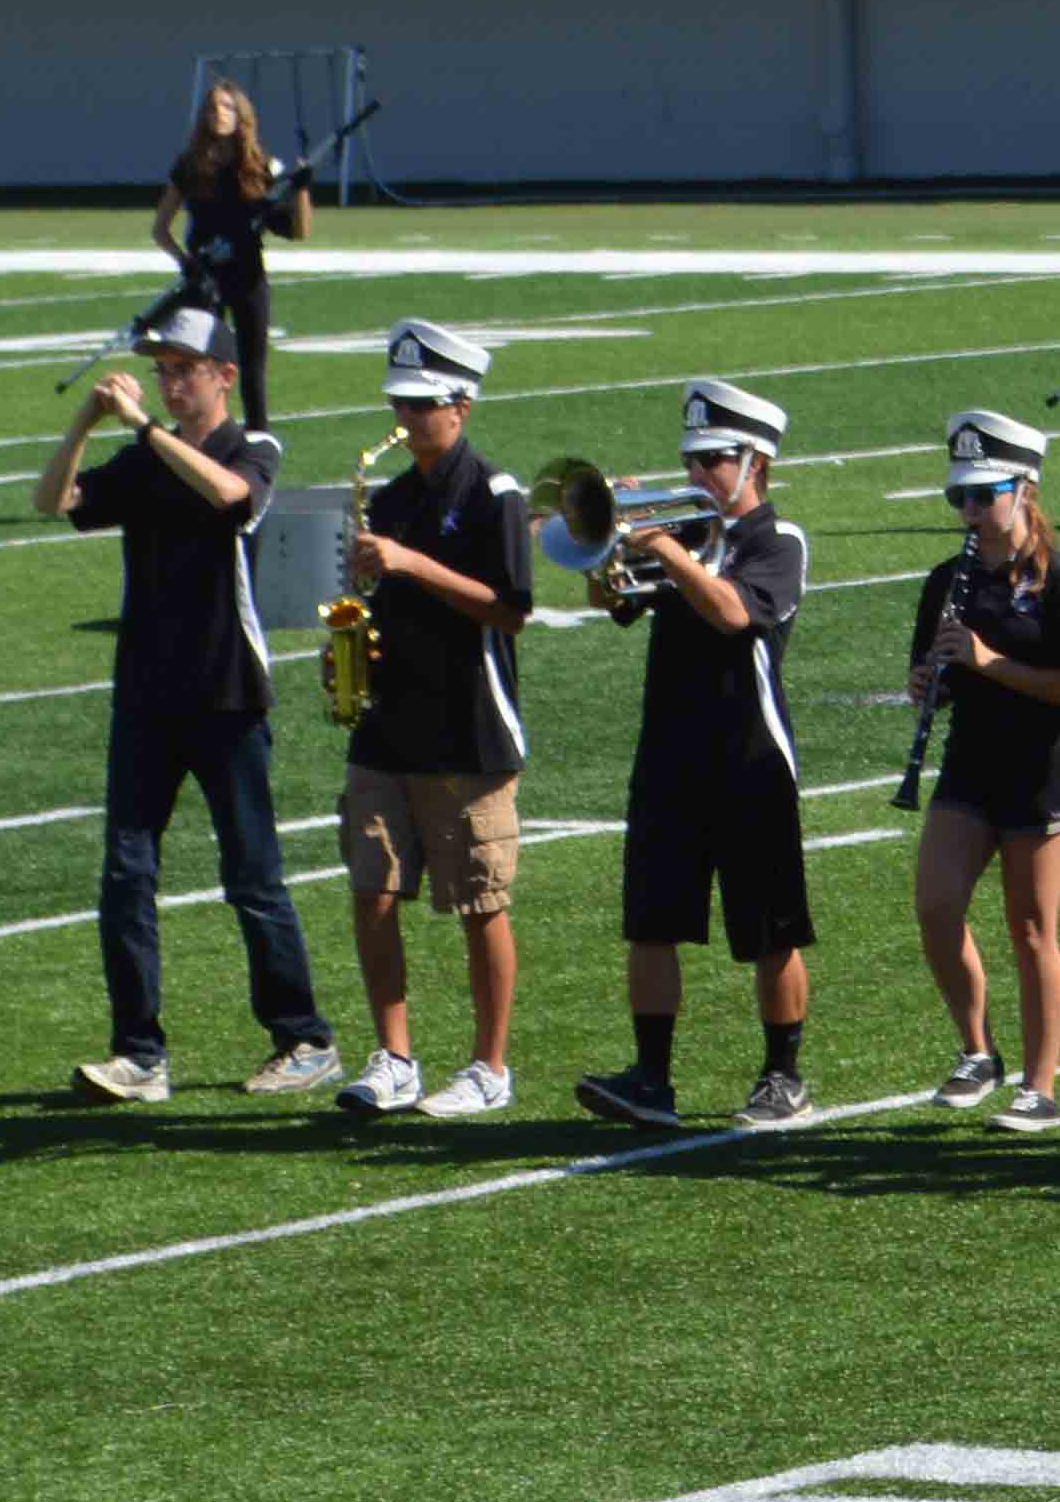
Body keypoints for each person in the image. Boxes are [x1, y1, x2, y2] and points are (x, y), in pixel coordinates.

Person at [47, 298, 337, 1106]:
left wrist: (145, 431)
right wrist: (84, 423)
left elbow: (231, 499)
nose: (169, 384)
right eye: (162, 373)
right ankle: (138, 1054)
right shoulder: (146, 458)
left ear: (225, 377)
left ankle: (305, 1035)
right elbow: (56, 502)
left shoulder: (252, 446)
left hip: (227, 693)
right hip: (146, 693)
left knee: (252, 876)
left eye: (184, 371)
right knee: (125, 875)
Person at [574, 377, 817, 1136]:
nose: (697, 474)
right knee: (652, 920)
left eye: (714, 459)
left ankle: (783, 1076)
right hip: (669, 752)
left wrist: (673, 555)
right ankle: (652, 1077)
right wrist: (606, 543)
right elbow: (610, 601)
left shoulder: (778, 541)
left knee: (770, 929)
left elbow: (734, 613)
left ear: (756, 462)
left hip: (750, 758)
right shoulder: (686, 536)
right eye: (692, 459)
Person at [334, 318, 528, 1118]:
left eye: (422, 405)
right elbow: (389, 605)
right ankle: (394, 1056)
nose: (407, 419)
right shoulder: (390, 496)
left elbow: (510, 610)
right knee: (373, 890)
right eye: (400, 404)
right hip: (388, 724)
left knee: (479, 901)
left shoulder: (493, 491)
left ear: (463, 404)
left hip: (468, 730)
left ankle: (489, 1066)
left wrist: (412, 563)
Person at [911, 412, 1060, 1131]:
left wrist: (992, 663)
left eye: (982, 494)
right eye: (957, 496)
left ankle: (1040, 1085)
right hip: (970, 761)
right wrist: (928, 679)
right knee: (935, 907)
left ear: (1024, 489)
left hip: (1039, 766)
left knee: (1030, 929)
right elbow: (928, 667)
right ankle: (976, 1050)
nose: (968, 511)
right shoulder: (947, 578)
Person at [152, 82, 312, 422]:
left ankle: (258, 442)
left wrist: (301, 190)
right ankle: (199, 438)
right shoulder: (190, 167)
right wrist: (186, 264)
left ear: (241, 117)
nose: (218, 115)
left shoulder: (262, 167)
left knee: (252, 371)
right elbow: (160, 229)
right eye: (211, 108)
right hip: (205, 280)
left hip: (248, 278)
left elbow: (298, 231)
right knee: (198, 366)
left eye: (226, 108)